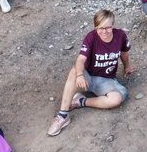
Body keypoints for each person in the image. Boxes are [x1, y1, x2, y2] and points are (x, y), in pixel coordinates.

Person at [47, 9, 133, 137]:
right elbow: (80, 59)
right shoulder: (91, 37)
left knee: (116, 99)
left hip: (106, 79)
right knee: (74, 71)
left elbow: (124, 53)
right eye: (100, 28)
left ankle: (81, 101)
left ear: (113, 25)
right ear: (95, 27)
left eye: (108, 28)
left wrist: (127, 67)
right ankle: (62, 115)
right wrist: (80, 75)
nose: (104, 32)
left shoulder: (120, 36)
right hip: (88, 76)